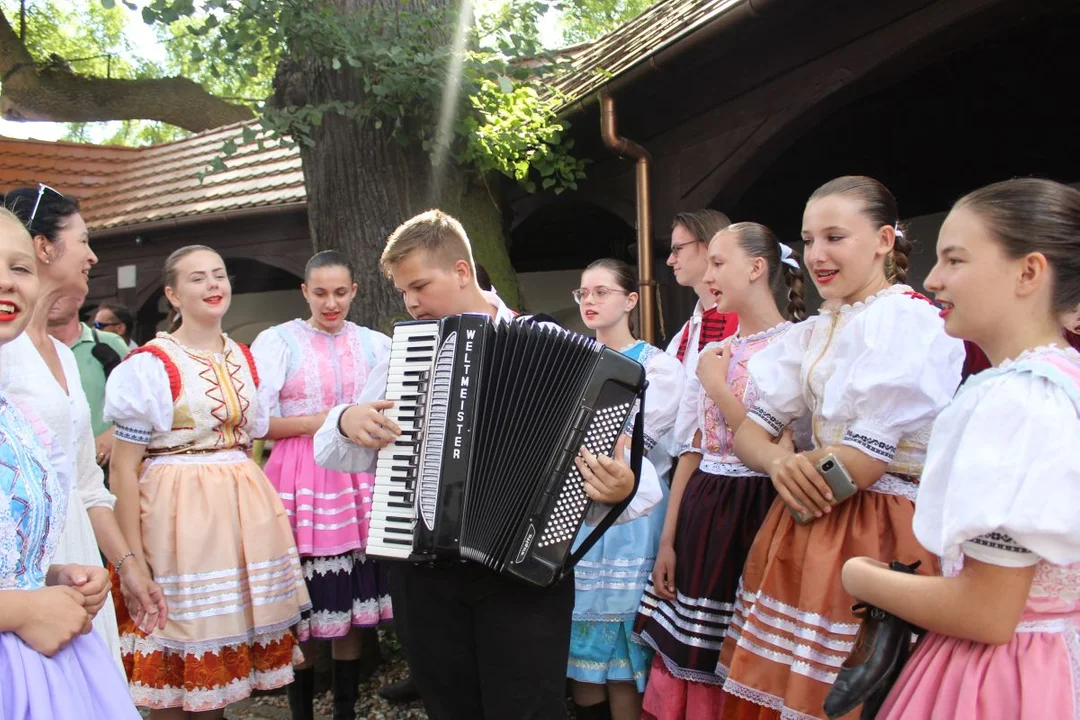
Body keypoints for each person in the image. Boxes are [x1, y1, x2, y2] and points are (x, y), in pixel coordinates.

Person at [314, 209, 663, 720]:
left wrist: (623, 485)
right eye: (402, 291)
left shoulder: (554, 346)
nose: (410, 303)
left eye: (419, 286)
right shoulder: (403, 357)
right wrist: (347, 421)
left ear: (461, 271)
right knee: (450, 709)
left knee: (527, 710)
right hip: (423, 573)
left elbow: (634, 476)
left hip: (523, 577)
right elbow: (331, 447)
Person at [719, 176, 965, 719]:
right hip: (809, 516)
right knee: (786, 686)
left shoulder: (907, 319)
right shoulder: (813, 329)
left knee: (852, 690)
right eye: (808, 241)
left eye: (835, 237)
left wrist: (794, 478)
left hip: (879, 530)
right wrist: (779, 463)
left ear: (883, 240)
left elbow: (865, 462)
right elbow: (748, 433)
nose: (817, 255)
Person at [840, 178, 1080, 719]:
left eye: (955, 260)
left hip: (1006, 676)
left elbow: (988, 611)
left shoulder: (1016, 398)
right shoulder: (1066, 379)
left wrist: (860, 576)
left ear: (1029, 272)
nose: (933, 278)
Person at [105, 244, 311, 716]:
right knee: (175, 647)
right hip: (177, 520)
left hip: (239, 519)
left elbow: (253, 437)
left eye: (219, 275)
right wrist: (131, 559)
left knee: (221, 674)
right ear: (173, 295)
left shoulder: (243, 355)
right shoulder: (152, 365)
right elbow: (122, 467)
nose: (214, 285)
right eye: (197, 278)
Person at [635, 222, 805, 719]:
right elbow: (692, 451)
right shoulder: (710, 353)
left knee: (749, 650)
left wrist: (718, 386)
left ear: (756, 268)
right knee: (691, 650)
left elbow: (779, 446)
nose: (708, 275)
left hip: (762, 511)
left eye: (717, 263)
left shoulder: (796, 344)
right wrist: (667, 540)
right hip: (704, 510)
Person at [0, 185, 163, 672]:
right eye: (83, 240)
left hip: (71, 560)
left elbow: (85, 481)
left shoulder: (65, 359)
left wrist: (127, 566)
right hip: (23, 554)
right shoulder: (6, 351)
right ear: (45, 246)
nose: (93, 255)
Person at [251, 250, 393, 720]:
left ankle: (346, 712)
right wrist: (333, 420)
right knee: (304, 608)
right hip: (297, 474)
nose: (330, 303)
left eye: (339, 293)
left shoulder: (375, 345)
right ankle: (301, 714)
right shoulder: (278, 342)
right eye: (320, 293)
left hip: (357, 476)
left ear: (354, 291)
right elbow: (257, 422)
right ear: (304, 292)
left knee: (349, 598)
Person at [568, 259, 684, 719]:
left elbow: (627, 455)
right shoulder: (572, 360)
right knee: (581, 664)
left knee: (622, 665)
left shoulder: (659, 368)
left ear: (630, 300)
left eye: (601, 292)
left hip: (632, 519)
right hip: (576, 517)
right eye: (583, 293)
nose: (590, 302)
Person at [664, 211, 738, 467]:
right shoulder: (687, 331)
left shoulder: (740, 326)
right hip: (687, 465)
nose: (670, 260)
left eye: (678, 249)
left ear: (708, 245)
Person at [47, 294, 130, 470]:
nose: (52, 299)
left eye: (60, 292)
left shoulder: (108, 343)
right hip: (49, 463)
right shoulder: (21, 348)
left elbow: (139, 400)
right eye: (46, 291)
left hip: (102, 463)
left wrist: (114, 433)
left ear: (79, 298)